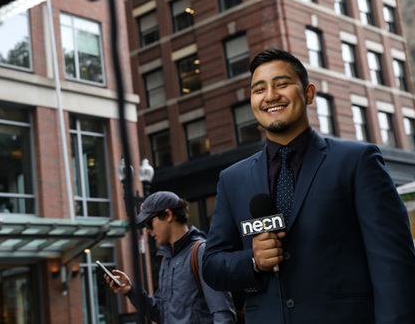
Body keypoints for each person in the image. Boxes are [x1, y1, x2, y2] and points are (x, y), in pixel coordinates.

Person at [202, 48, 415, 323]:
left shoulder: (357, 161)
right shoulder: (232, 179)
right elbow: (212, 265)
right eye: (259, 89)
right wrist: (253, 261)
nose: (270, 96)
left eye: (282, 84)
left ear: (309, 93)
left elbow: (394, 265)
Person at [105, 191, 237, 323]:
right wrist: (130, 291)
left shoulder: (201, 252)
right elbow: (160, 313)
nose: (148, 230)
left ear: (168, 215)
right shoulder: (167, 259)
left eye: (149, 223)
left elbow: (223, 313)